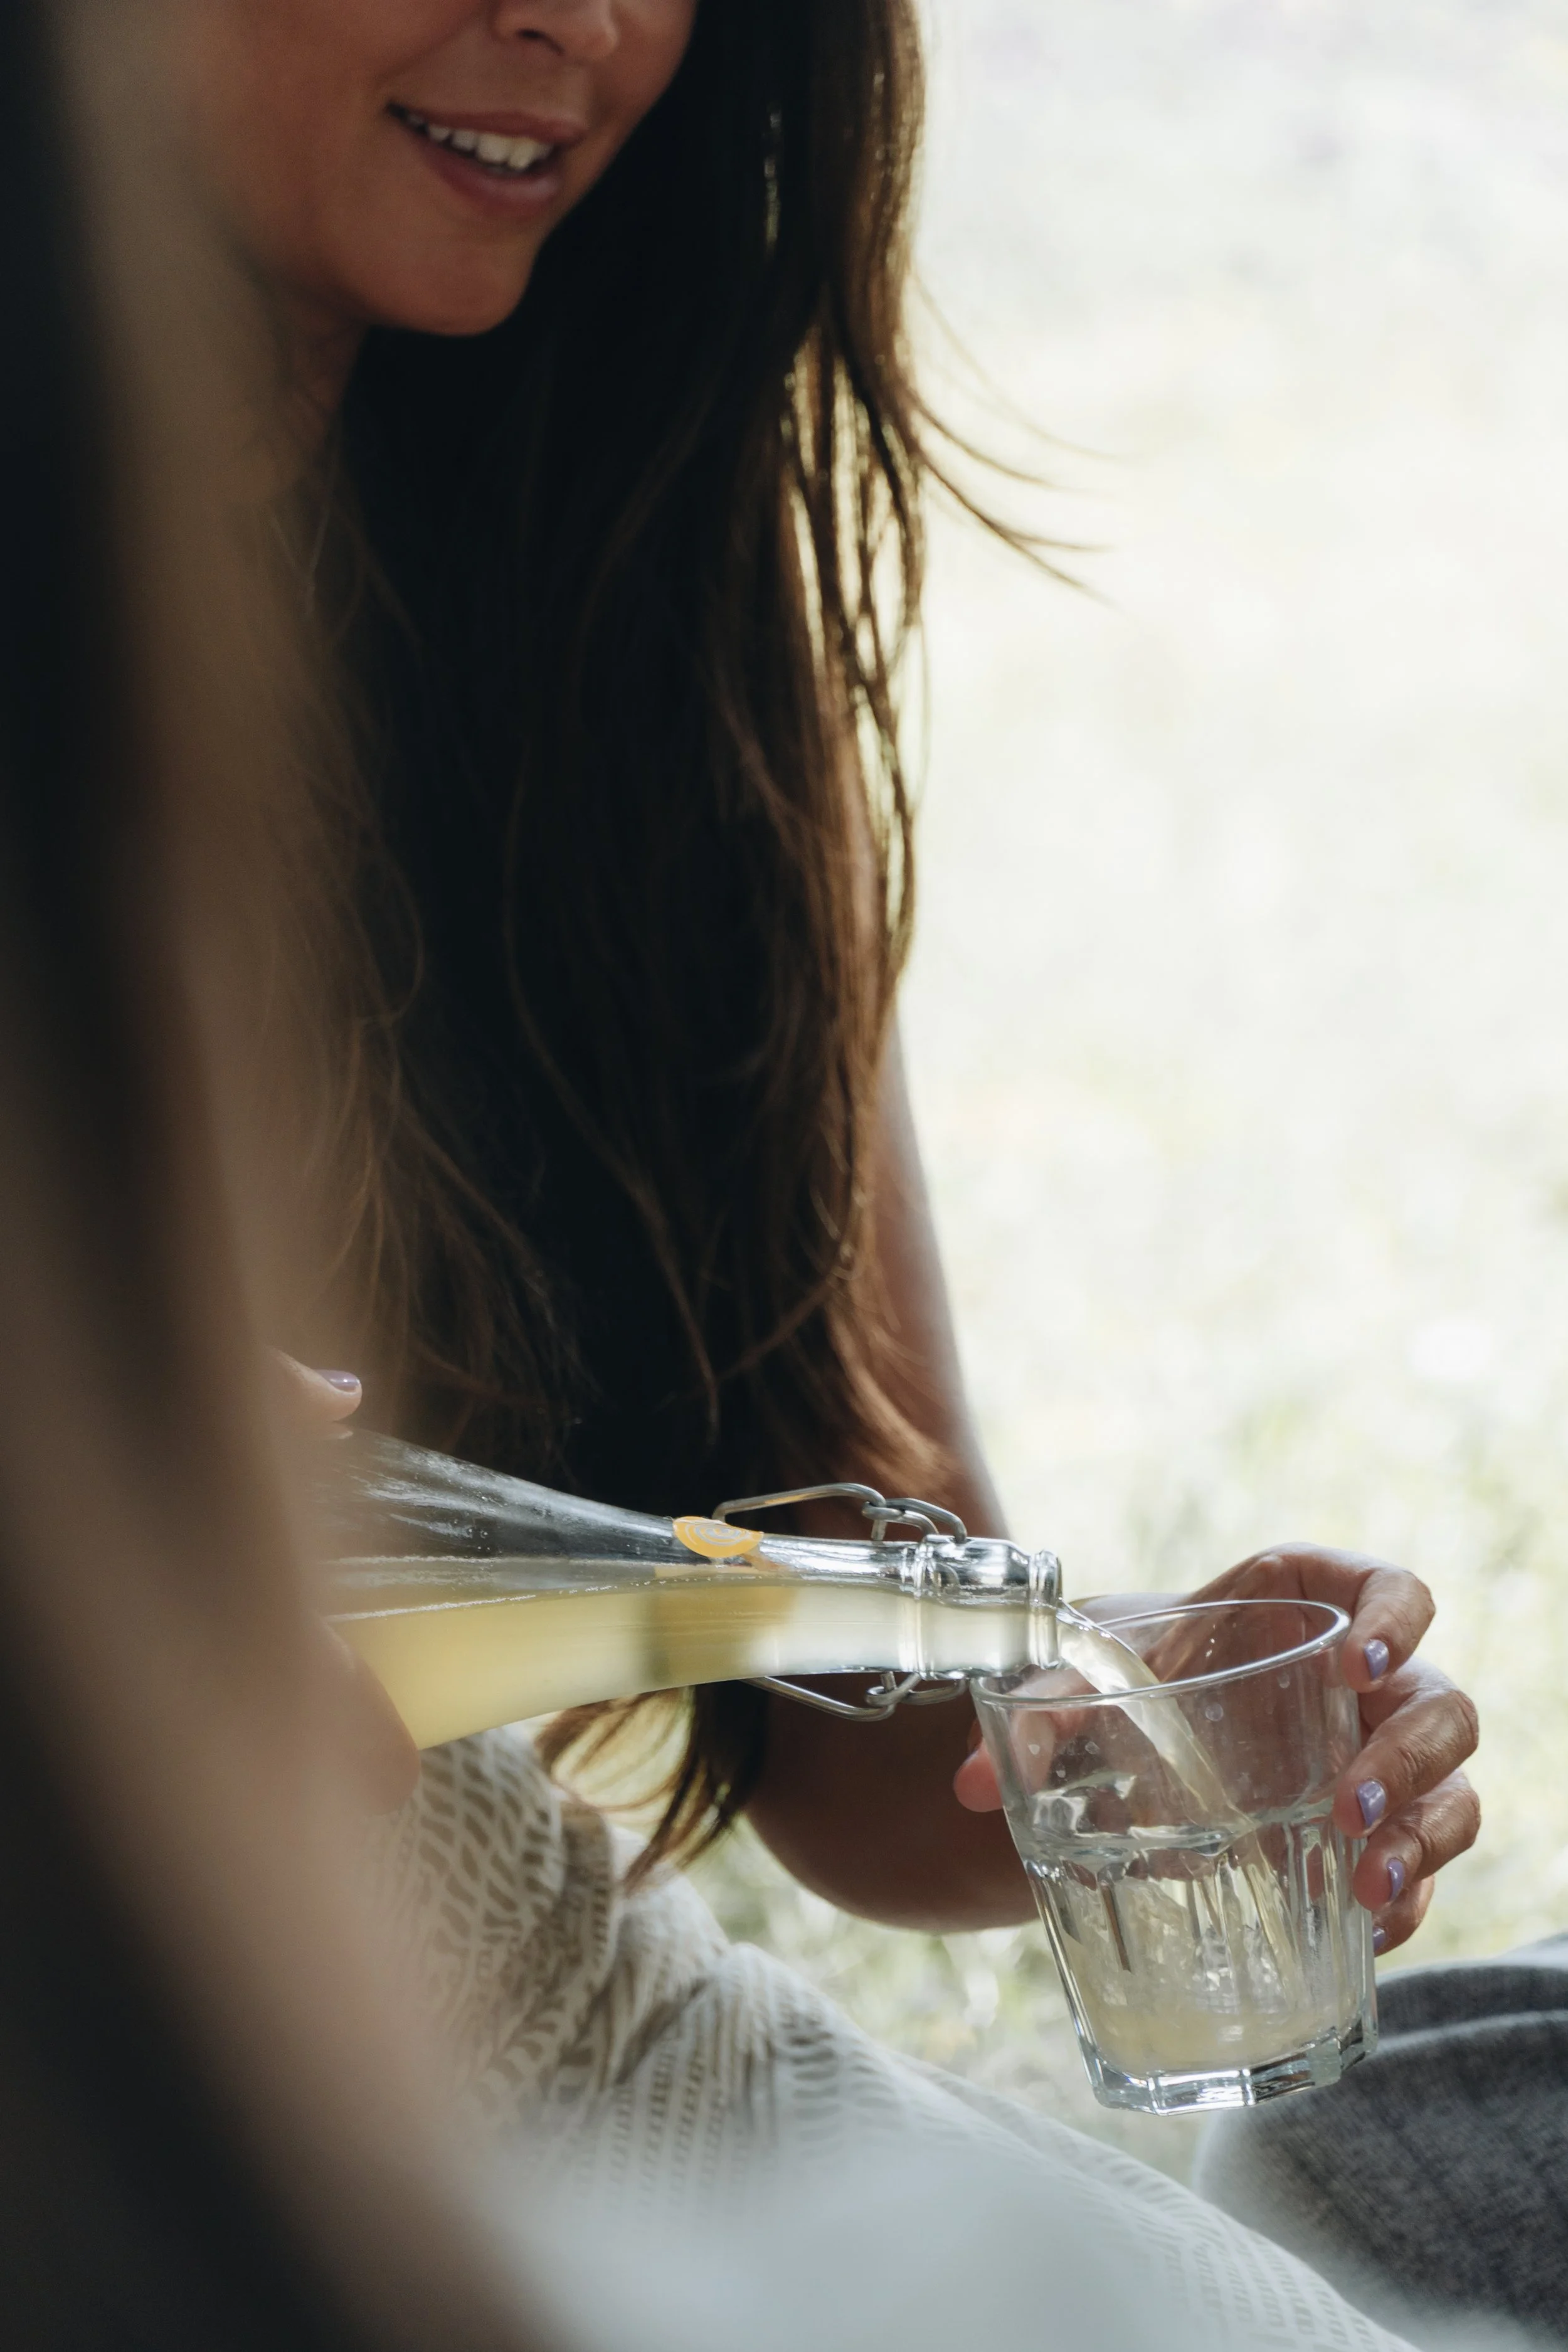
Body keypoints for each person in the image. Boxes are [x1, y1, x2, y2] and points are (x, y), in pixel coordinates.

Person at [177, 4, 1511, 2341]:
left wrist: (1112, 1721)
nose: (584, 19)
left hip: (486, 1995)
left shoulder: (620, 576)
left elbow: (845, 1708)